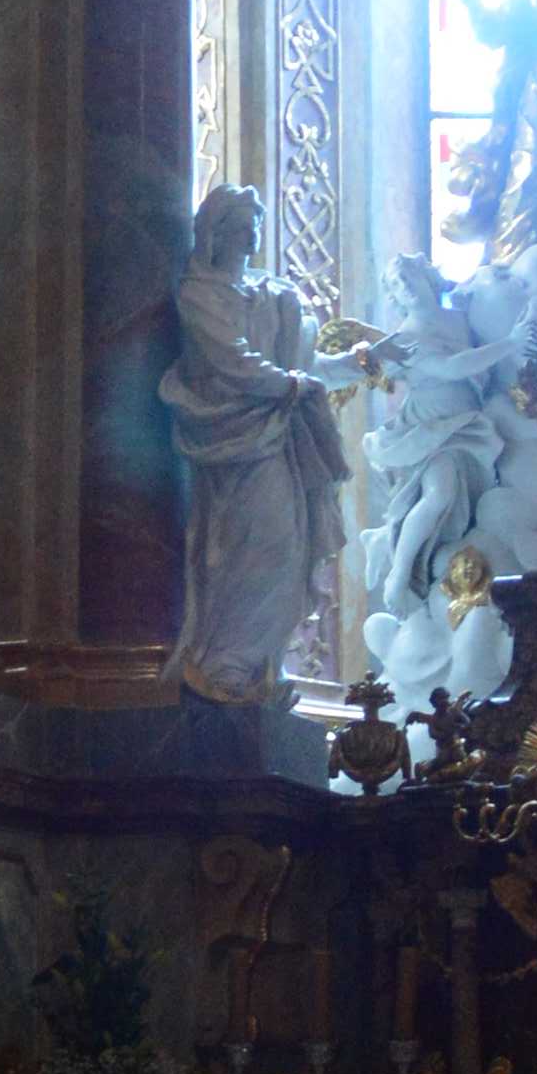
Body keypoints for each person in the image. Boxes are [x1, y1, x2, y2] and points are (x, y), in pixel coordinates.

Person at [163, 179, 354, 702]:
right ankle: (225, 659)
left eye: (256, 228)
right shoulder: (201, 294)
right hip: (234, 434)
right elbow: (232, 362)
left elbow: (305, 367)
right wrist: (292, 386)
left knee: (286, 546)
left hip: (278, 436)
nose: (251, 238)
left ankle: (255, 659)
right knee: (250, 544)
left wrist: (359, 362)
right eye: (242, 228)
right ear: (215, 233)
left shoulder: (275, 296)